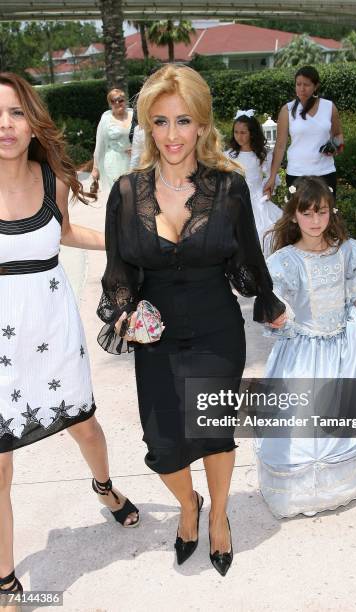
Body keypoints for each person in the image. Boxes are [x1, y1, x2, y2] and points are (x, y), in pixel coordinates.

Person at [96, 64, 286, 576]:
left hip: (215, 331)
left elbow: (246, 259)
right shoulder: (126, 192)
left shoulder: (228, 187)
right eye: (160, 122)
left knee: (214, 433)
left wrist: (267, 299)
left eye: (184, 121)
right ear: (147, 126)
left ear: (202, 125)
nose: (172, 134)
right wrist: (122, 310)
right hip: (156, 337)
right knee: (163, 447)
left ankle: (219, 516)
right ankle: (189, 505)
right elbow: (119, 270)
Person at [0, 73, 139, 600]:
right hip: (0, 340)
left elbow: (59, 233)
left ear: (32, 120)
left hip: (52, 329)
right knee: (0, 465)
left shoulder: (51, 177)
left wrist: (123, 244)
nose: (5, 125)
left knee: (83, 425)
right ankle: (6, 581)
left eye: (15, 112)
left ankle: (104, 487)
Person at [255, 176, 356, 518]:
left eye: (322, 212)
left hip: (345, 344)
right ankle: (307, 488)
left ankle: (352, 469)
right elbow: (277, 297)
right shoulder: (287, 260)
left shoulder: (345, 249)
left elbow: (350, 280)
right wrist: (277, 315)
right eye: (308, 213)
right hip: (307, 349)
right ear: (294, 215)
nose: (316, 221)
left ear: (331, 213)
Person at [263, 66, 344, 198]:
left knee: (325, 216)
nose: (301, 88)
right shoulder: (287, 110)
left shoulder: (329, 107)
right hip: (297, 173)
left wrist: (336, 146)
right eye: (298, 84)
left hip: (325, 172)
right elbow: (280, 146)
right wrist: (272, 177)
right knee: (299, 217)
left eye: (306, 84)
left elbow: (338, 135)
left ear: (316, 86)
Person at [225, 110, 282, 256]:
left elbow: (271, 176)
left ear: (252, 133)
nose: (239, 136)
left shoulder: (261, 155)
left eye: (243, 132)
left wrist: (268, 189)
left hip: (257, 200)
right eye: (236, 132)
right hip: (235, 200)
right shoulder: (229, 155)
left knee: (262, 233)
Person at [91, 88, 133, 191]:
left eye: (121, 100)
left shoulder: (133, 114)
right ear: (110, 104)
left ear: (125, 101)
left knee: (134, 195)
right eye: (113, 101)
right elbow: (99, 145)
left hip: (133, 161)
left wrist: (138, 149)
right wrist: (95, 168)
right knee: (119, 195)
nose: (118, 103)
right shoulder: (106, 119)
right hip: (114, 162)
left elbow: (143, 136)